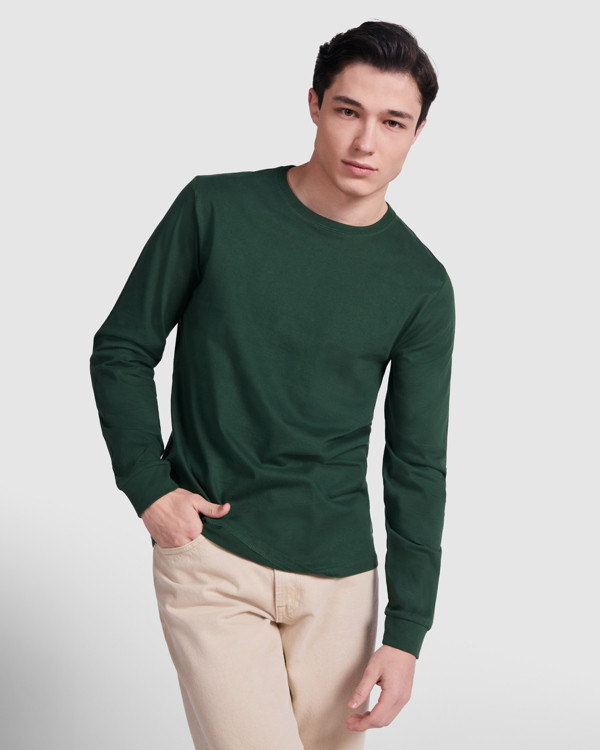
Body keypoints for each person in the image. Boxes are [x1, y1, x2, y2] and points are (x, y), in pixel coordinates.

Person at [90, 20, 455, 750]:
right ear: (314, 104)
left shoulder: (421, 284)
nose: (366, 142)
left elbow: (416, 463)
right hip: (214, 556)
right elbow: (123, 348)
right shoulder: (215, 210)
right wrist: (148, 486)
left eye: (393, 122)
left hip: (341, 585)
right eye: (349, 111)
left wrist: (407, 630)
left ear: (417, 133)